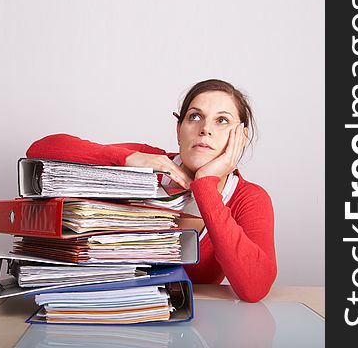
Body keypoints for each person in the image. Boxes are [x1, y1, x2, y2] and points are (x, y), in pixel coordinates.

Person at [26, 78, 277, 302]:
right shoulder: (150, 162)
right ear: (179, 130)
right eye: (195, 116)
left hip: (189, 321)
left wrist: (205, 184)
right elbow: (40, 149)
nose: (206, 129)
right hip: (103, 304)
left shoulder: (249, 198)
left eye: (222, 120)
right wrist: (129, 158)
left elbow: (254, 288)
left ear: (241, 137)